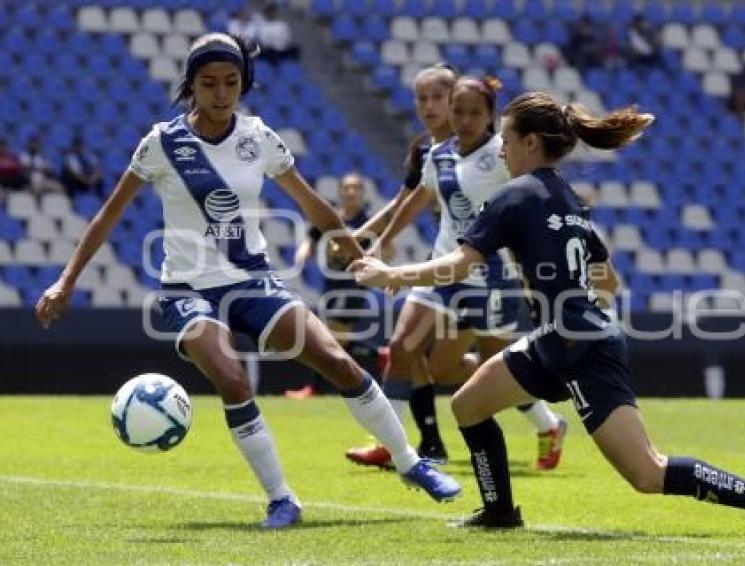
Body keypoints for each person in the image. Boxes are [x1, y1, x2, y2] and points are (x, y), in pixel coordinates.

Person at [35, 32, 460, 529]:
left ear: (244, 83)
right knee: (234, 380)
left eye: (231, 82)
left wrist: (348, 244)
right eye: (209, 82)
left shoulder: (258, 136)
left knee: (336, 361)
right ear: (191, 85)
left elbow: (308, 201)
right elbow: (107, 216)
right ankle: (282, 499)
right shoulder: (162, 144)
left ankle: (410, 463)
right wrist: (65, 281)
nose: (221, 92)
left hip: (253, 279)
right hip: (187, 290)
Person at [349, 91, 745, 535]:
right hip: (559, 337)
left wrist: (391, 276)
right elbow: (609, 281)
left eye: (508, 142)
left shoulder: (516, 195)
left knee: (647, 473)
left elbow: (459, 265)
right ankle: (499, 512)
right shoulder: (570, 199)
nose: (503, 152)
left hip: (581, 348)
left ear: (530, 143)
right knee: (468, 405)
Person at [347, 76, 566, 471]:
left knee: (485, 370)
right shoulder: (439, 154)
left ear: (491, 117)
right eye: (458, 111)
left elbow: (535, 194)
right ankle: (390, 444)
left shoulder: (503, 156)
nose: (464, 120)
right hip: (443, 269)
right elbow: (418, 198)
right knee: (401, 347)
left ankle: (549, 425)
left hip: (493, 280)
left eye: (475, 113)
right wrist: (382, 242)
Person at [290, 171, 379, 398]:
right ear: (340, 191)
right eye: (347, 187)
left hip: (353, 286)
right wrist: (303, 254)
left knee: (331, 338)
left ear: (362, 193)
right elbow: (312, 239)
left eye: (356, 188)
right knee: (337, 340)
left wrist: (372, 255)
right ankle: (378, 358)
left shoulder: (368, 221)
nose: (351, 192)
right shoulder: (331, 219)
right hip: (330, 286)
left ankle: (317, 388)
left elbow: (388, 248)